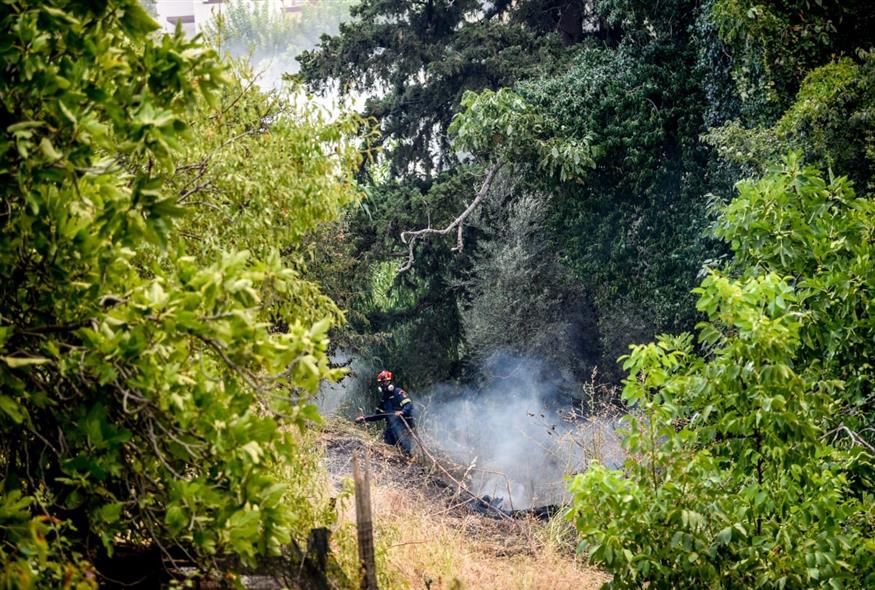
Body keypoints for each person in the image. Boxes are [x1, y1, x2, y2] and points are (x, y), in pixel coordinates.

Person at [355, 370, 415, 455]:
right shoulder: (384, 399)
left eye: (385, 382)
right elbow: (379, 415)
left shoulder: (398, 392)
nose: (383, 384)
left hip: (403, 425)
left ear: (390, 382)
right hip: (391, 427)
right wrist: (364, 418)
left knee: (405, 448)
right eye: (381, 382)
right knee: (389, 445)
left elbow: (409, 405)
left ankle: (408, 460)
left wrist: (402, 412)